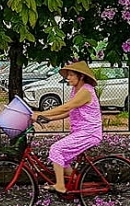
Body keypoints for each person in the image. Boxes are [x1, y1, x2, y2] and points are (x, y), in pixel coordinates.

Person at [31, 60, 102, 194]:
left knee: (56, 149)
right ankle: (75, 185)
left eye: (71, 75)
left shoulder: (86, 91)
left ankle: (60, 186)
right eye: (67, 75)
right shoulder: (75, 90)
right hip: (80, 131)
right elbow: (69, 112)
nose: (67, 78)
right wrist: (48, 118)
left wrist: (40, 113)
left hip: (89, 132)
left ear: (80, 76)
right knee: (63, 160)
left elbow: (67, 106)